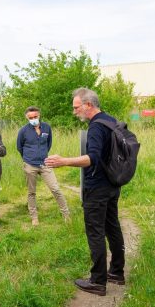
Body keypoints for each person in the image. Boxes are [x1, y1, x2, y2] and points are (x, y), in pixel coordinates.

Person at [46, 88, 125, 296]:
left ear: (88, 105)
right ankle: (116, 272)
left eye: (76, 107)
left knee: (95, 232)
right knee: (112, 227)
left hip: (97, 187)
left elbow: (93, 158)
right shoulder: (110, 120)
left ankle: (98, 281)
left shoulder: (96, 128)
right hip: (112, 185)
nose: (74, 112)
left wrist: (64, 162)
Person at [16, 106, 70, 225]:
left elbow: (49, 143)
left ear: (39, 115)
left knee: (55, 189)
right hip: (30, 164)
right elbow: (19, 147)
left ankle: (66, 215)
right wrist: (28, 158)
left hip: (45, 163)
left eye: (35, 116)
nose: (33, 119)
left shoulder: (46, 128)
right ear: (27, 117)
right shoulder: (23, 131)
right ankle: (34, 217)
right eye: (31, 117)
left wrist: (43, 155)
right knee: (31, 192)